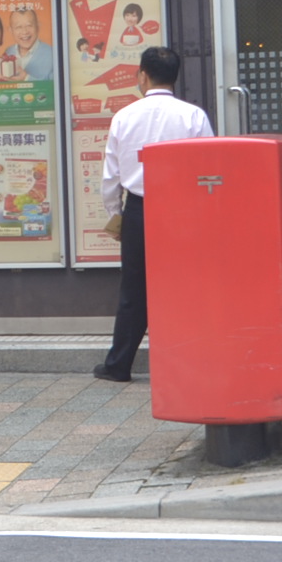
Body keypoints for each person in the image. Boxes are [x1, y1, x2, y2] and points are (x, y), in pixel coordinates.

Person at [93, 45, 213, 384]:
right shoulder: (193, 116)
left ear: (141, 76)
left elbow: (110, 176)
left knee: (133, 290)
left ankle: (118, 365)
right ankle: (189, 361)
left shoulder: (124, 116)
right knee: (186, 286)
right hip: (183, 211)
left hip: (139, 211)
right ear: (175, 77)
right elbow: (208, 167)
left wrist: (115, 214)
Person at [5, 4, 56, 83]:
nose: (25, 32)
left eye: (29, 25)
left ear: (38, 27)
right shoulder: (8, 52)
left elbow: (56, 88)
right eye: (18, 27)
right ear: (11, 30)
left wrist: (26, 78)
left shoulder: (53, 54)